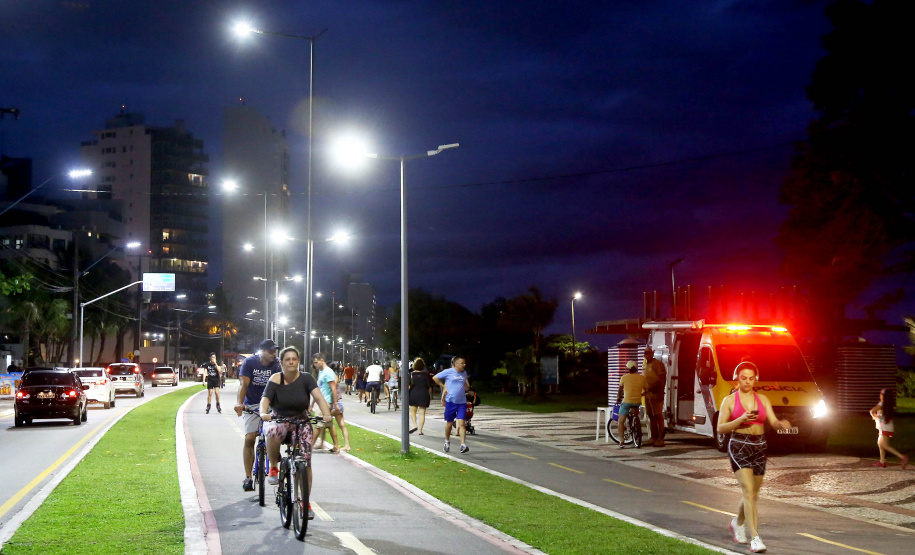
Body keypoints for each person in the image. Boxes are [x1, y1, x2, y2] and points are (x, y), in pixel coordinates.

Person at [716, 361, 792, 553]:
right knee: (748, 491)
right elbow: (720, 428)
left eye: (751, 378)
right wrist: (739, 420)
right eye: (743, 378)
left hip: (759, 446)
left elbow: (773, 422)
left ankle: (737, 522)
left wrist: (782, 424)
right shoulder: (730, 401)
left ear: (755, 379)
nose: (747, 382)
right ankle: (755, 539)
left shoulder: (763, 399)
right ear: (737, 379)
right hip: (739, 445)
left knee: (753, 494)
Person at [259, 346, 333, 520]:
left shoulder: (306, 378)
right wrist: (264, 413)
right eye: (287, 359)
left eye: (294, 359)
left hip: (301, 421)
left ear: (298, 361)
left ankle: (305, 501)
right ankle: (274, 468)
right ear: (282, 362)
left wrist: (327, 414)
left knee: (305, 462)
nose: (291, 362)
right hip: (279, 419)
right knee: (273, 431)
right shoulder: (276, 378)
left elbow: (320, 398)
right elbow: (265, 399)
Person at [234, 338, 281, 492]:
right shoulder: (250, 363)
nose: (274, 354)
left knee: (275, 434)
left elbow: (282, 385)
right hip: (253, 404)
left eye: (275, 350)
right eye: (271, 351)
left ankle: (274, 454)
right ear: (263, 351)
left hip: (272, 404)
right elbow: (244, 384)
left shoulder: (278, 364)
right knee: (249, 438)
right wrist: (240, 404)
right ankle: (248, 477)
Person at [311, 352, 351, 452]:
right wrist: (312, 404)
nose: (314, 365)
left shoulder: (328, 372)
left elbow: (333, 388)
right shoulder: (321, 372)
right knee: (328, 424)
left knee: (318, 425)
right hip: (322, 401)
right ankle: (336, 446)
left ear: (322, 360)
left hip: (326, 402)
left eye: (316, 362)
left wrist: (335, 404)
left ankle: (309, 446)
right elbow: (319, 389)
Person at [433, 356, 471, 454]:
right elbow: (435, 377)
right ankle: (447, 441)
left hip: (462, 402)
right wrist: (444, 387)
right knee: (449, 424)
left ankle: (462, 445)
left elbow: (467, 387)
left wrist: (467, 386)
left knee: (462, 423)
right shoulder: (448, 371)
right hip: (450, 402)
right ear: (456, 364)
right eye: (462, 363)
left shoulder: (464, 373)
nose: (464, 365)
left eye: (464, 363)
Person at [870, 388, 908, 469]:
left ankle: (902, 457)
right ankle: (882, 461)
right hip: (887, 426)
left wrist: (875, 417)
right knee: (880, 443)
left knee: (885, 445)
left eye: (881, 394)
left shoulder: (882, 404)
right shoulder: (889, 404)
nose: (880, 395)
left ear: (883, 396)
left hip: (884, 427)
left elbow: (872, 411)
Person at [616, 360, 648, 448]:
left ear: (628, 369)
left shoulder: (624, 377)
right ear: (636, 369)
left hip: (626, 402)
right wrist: (641, 394)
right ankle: (635, 421)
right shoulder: (642, 378)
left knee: (621, 421)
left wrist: (618, 397)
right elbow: (647, 390)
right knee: (635, 413)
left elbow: (620, 390)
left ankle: (622, 439)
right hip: (637, 402)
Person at [642, 346, 667, 446]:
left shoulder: (657, 364)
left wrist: (660, 392)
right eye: (645, 353)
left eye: (648, 353)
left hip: (656, 392)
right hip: (648, 393)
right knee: (651, 415)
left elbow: (662, 378)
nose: (646, 355)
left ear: (652, 353)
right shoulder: (646, 364)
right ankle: (653, 437)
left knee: (658, 416)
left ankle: (660, 439)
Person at [408, 357, 432, 435]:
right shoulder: (426, 375)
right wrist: (430, 396)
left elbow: (408, 386)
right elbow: (429, 387)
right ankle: (420, 430)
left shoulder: (411, 375)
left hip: (414, 394)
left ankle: (415, 425)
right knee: (422, 413)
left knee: (412, 411)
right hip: (424, 394)